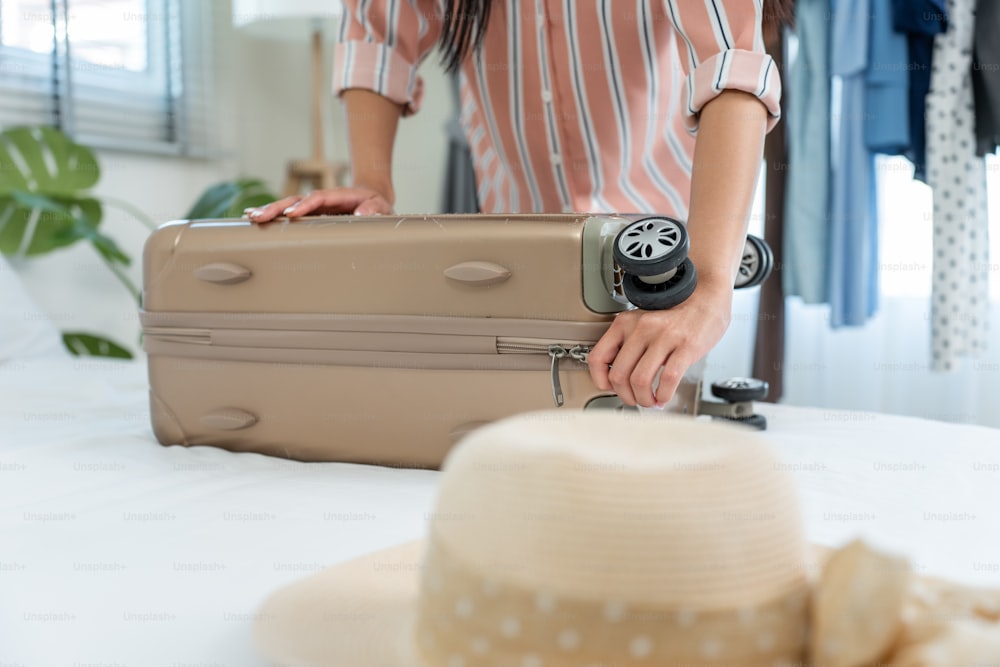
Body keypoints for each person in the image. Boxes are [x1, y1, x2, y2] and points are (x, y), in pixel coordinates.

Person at [245, 0, 789, 409]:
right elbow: (378, 37)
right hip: (516, 278)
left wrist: (711, 287)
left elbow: (732, 64)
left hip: (664, 280)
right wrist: (372, 187)